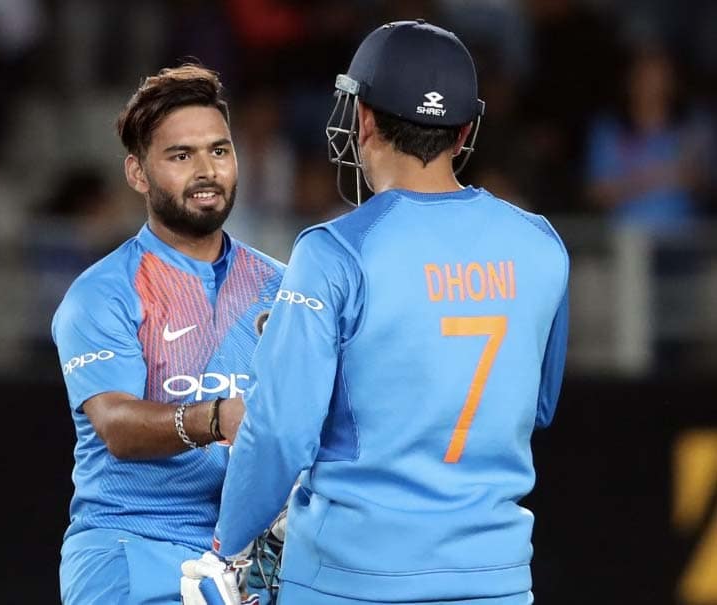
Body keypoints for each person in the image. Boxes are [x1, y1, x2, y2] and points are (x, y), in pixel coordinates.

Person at [203, 20, 569, 605]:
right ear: (464, 131)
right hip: (494, 580)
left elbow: (280, 432)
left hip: (350, 580)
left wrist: (226, 547)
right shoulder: (541, 245)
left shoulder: (334, 251)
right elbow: (536, 405)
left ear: (364, 118)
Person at [51, 64, 284, 605]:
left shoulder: (282, 287)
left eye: (219, 151)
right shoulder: (104, 292)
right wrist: (219, 417)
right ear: (137, 173)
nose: (207, 170)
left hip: (248, 561)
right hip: (131, 549)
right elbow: (117, 425)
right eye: (181, 156)